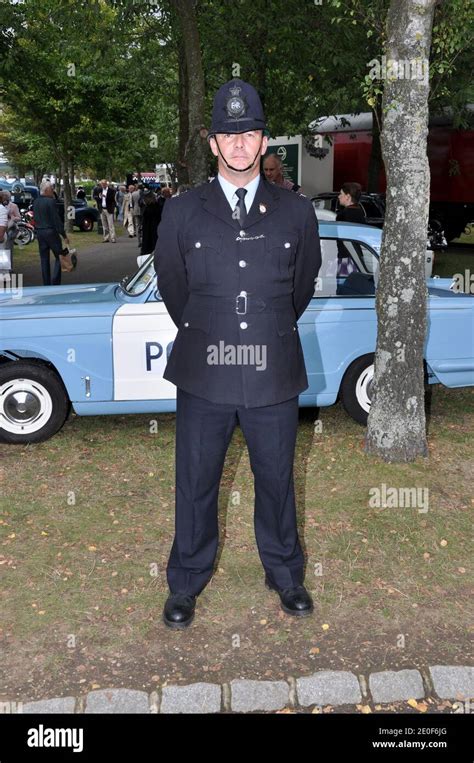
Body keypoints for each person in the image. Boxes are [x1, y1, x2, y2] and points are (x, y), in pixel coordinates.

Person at [154, 78, 321, 630]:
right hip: (205, 373)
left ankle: (285, 573)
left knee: (277, 480)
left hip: (272, 371)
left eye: (249, 132)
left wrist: (263, 333)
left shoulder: (296, 212)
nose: (240, 143)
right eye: (229, 133)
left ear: (264, 140)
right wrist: (209, 335)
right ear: (213, 144)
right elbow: (175, 288)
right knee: (196, 482)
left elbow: (299, 287)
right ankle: (186, 582)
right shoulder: (180, 212)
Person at [32, 181, 73, 285]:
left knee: (44, 259)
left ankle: (46, 282)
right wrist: (63, 235)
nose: (53, 191)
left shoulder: (35, 202)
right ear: (46, 190)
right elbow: (56, 219)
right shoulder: (50, 202)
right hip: (50, 231)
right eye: (51, 189)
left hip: (40, 232)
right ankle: (55, 281)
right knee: (59, 256)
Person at [140, 190, 162, 255]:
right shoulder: (156, 205)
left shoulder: (148, 207)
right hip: (154, 227)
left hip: (149, 228)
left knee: (148, 240)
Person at [98, 179, 116, 243]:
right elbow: (97, 198)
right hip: (102, 208)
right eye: (102, 184)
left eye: (104, 184)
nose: (103, 185)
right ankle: (106, 238)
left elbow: (112, 199)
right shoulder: (100, 190)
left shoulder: (111, 190)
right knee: (104, 225)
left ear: (106, 184)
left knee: (110, 224)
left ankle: (113, 238)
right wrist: (99, 197)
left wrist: (105, 197)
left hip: (109, 209)